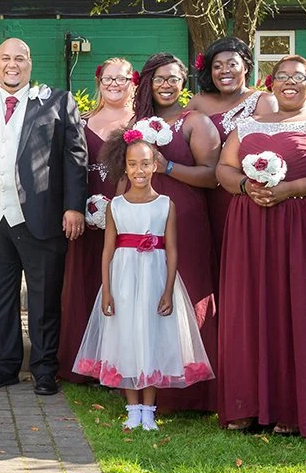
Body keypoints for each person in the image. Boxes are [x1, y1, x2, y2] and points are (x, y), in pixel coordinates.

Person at [214, 55, 306, 440]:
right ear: (271, 84)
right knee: (252, 310)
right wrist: (246, 186)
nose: (290, 82)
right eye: (282, 76)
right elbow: (224, 169)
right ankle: (249, 403)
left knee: (302, 310)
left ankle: (297, 408)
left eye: (299, 77)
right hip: (252, 230)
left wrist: (289, 189)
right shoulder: (246, 125)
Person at [0, 39, 88, 395]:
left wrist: (74, 206)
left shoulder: (57, 101)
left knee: (44, 298)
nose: (13, 65)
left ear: (30, 63)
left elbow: (75, 158)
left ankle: (44, 369)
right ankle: (6, 365)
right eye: (6, 58)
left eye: (20, 58)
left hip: (41, 217)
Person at [73, 137, 213, 431]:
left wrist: (168, 290)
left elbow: (172, 250)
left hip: (155, 280)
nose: (139, 170)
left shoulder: (165, 205)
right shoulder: (116, 206)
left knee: (151, 338)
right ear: (124, 167)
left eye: (145, 164)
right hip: (124, 280)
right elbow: (107, 251)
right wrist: (107, 290)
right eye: (133, 164)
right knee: (126, 337)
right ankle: (132, 408)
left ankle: (149, 410)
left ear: (154, 166)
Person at [131, 53, 221, 414]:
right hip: (144, 222)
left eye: (173, 78)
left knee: (189, 294)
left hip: (185, 221)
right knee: (149, 298)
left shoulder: (195, 122)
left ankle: (194, 391)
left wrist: (166, 165)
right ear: (148, 83)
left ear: (184, 83)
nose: (166, 85)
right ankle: (153, 385)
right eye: (159, 79)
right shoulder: (137, 123)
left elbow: (212, 175)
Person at [57, 58, 135, 382]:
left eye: (121, 78)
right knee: (84, 281)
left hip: (127, 216)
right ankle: (85, 364)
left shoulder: (141, 122)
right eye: (108, 79)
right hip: (85, 217)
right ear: (99, 83)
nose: (114, 84)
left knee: (122, 285)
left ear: (133, 82)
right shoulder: (81, 121)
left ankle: (120, 362)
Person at [187, 37, 278, 247]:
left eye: (232, 64)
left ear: (245, 67)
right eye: (217, 66)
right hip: (205, 195)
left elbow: (273, 151)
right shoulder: (198, 101)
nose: (224, 71)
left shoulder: (264, 101)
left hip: (246, 194)